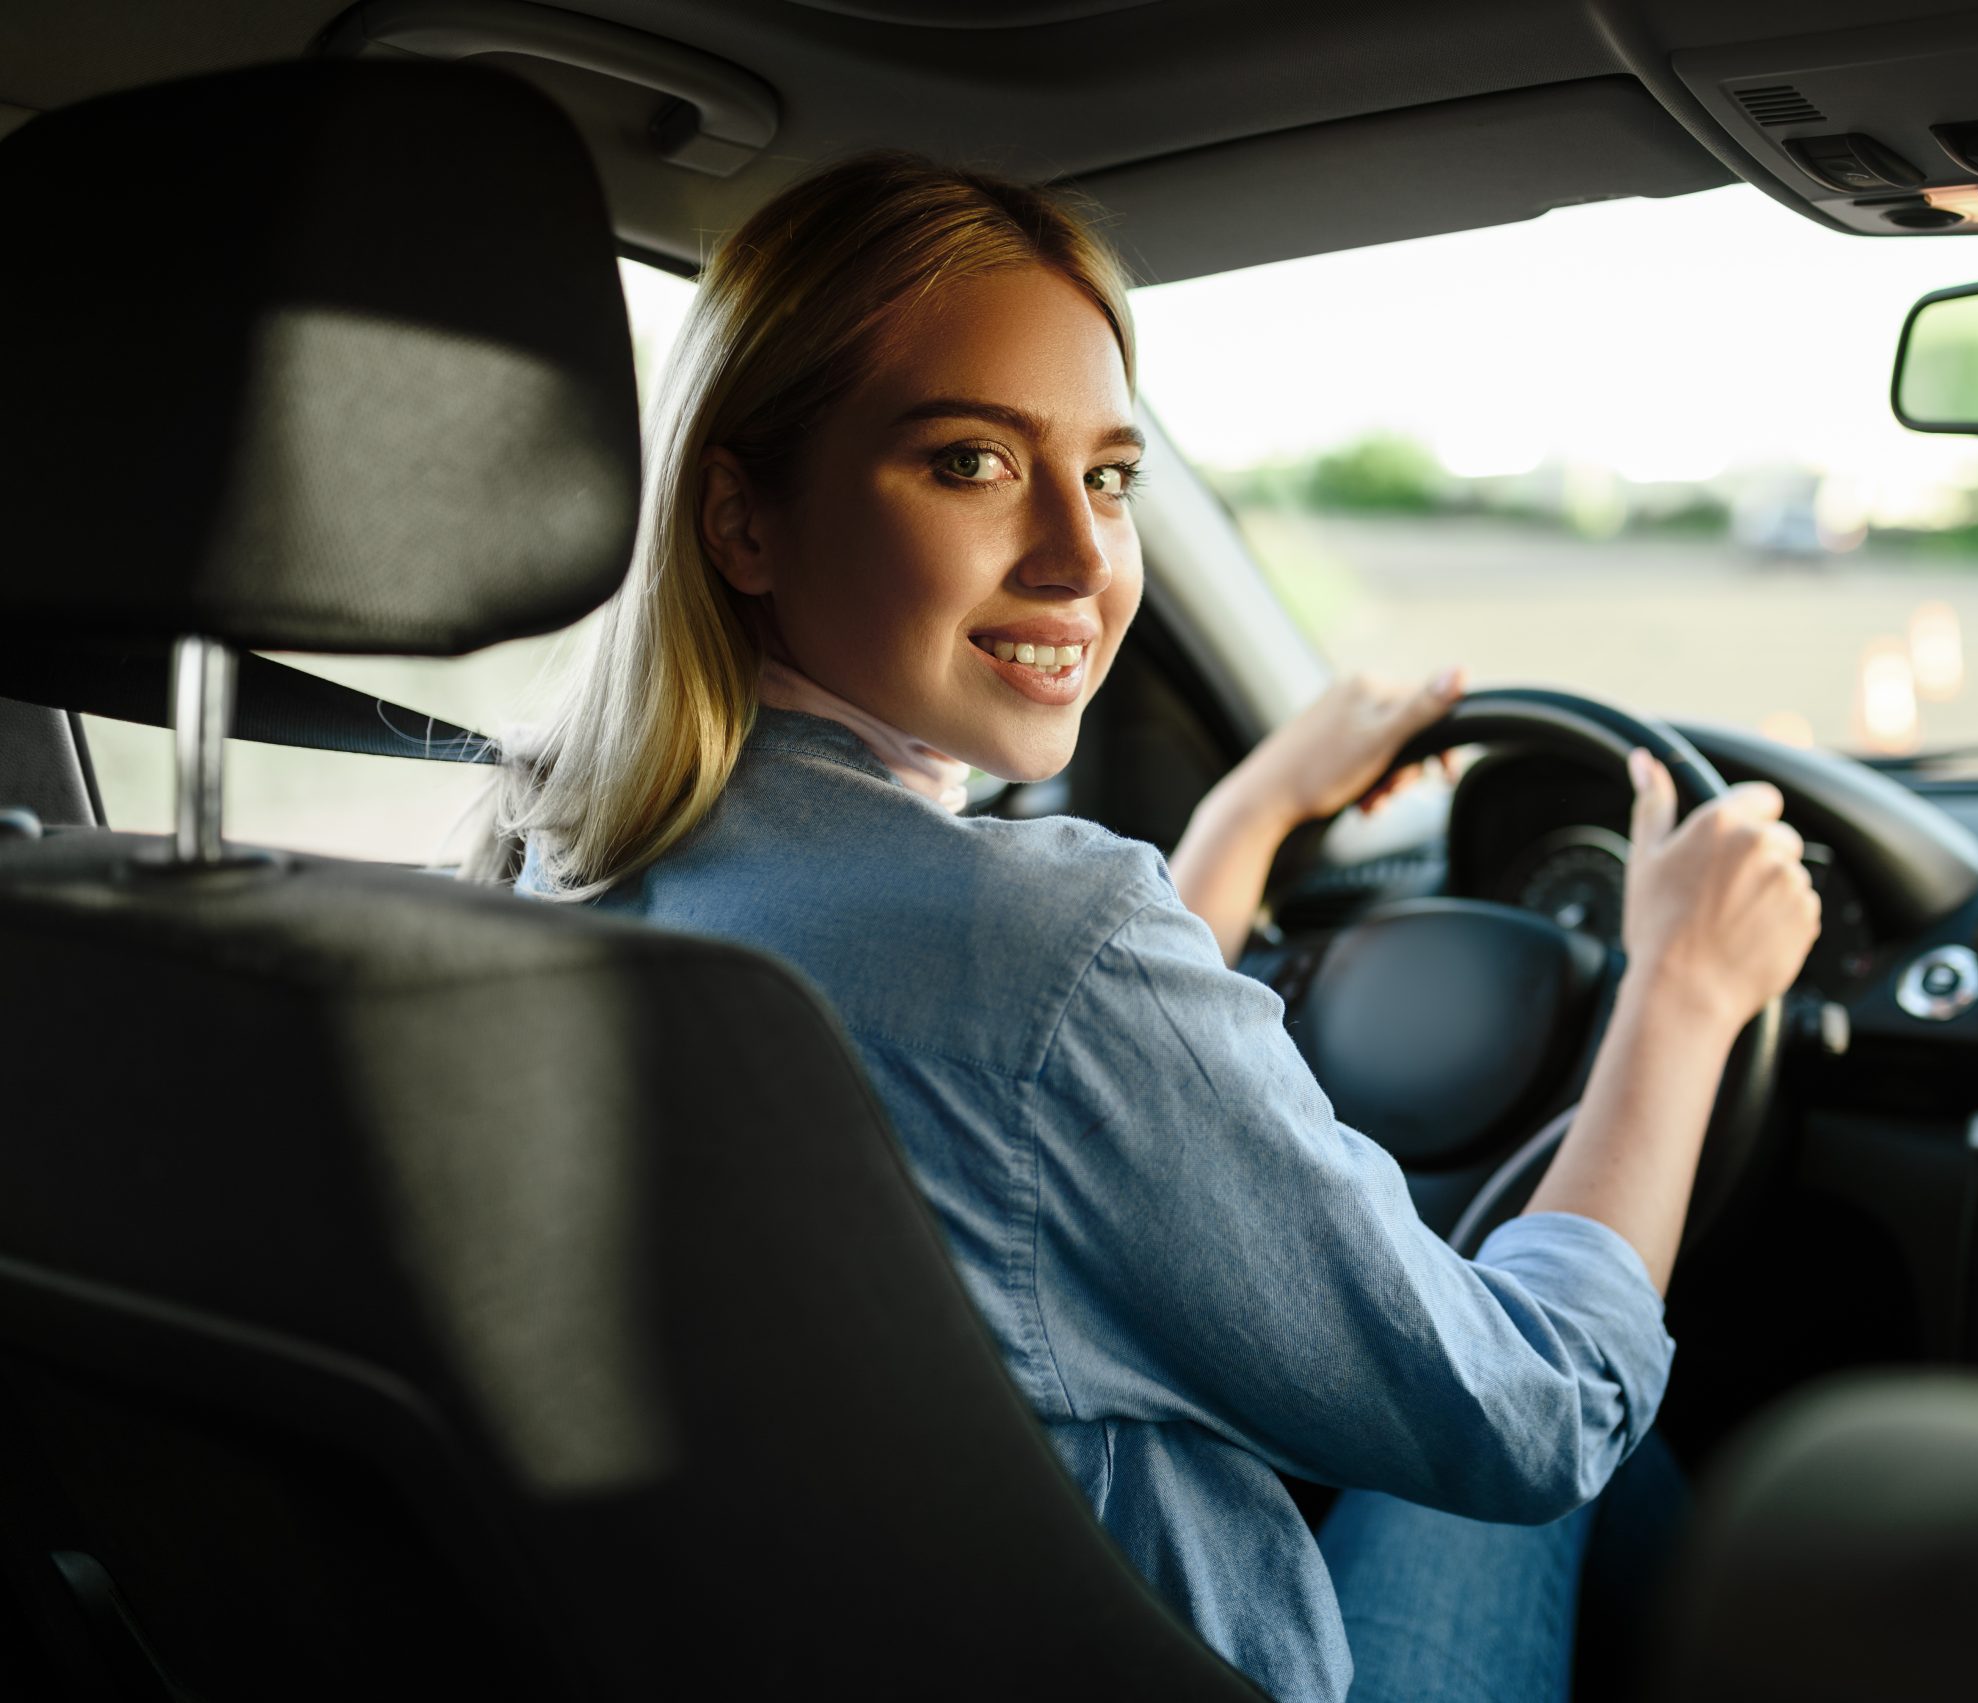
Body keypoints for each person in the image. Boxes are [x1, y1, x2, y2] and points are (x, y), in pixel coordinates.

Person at [469, 152, 1820, 1703]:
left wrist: (1242, 828)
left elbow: (1011, 1061)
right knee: (1597, 1452)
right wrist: (1686, 994)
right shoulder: (1046, 946)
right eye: (970, 462)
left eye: (1108, 476)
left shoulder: (560, 863)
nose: (1079, 558)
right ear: (743, 518)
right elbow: (1537, 1412)